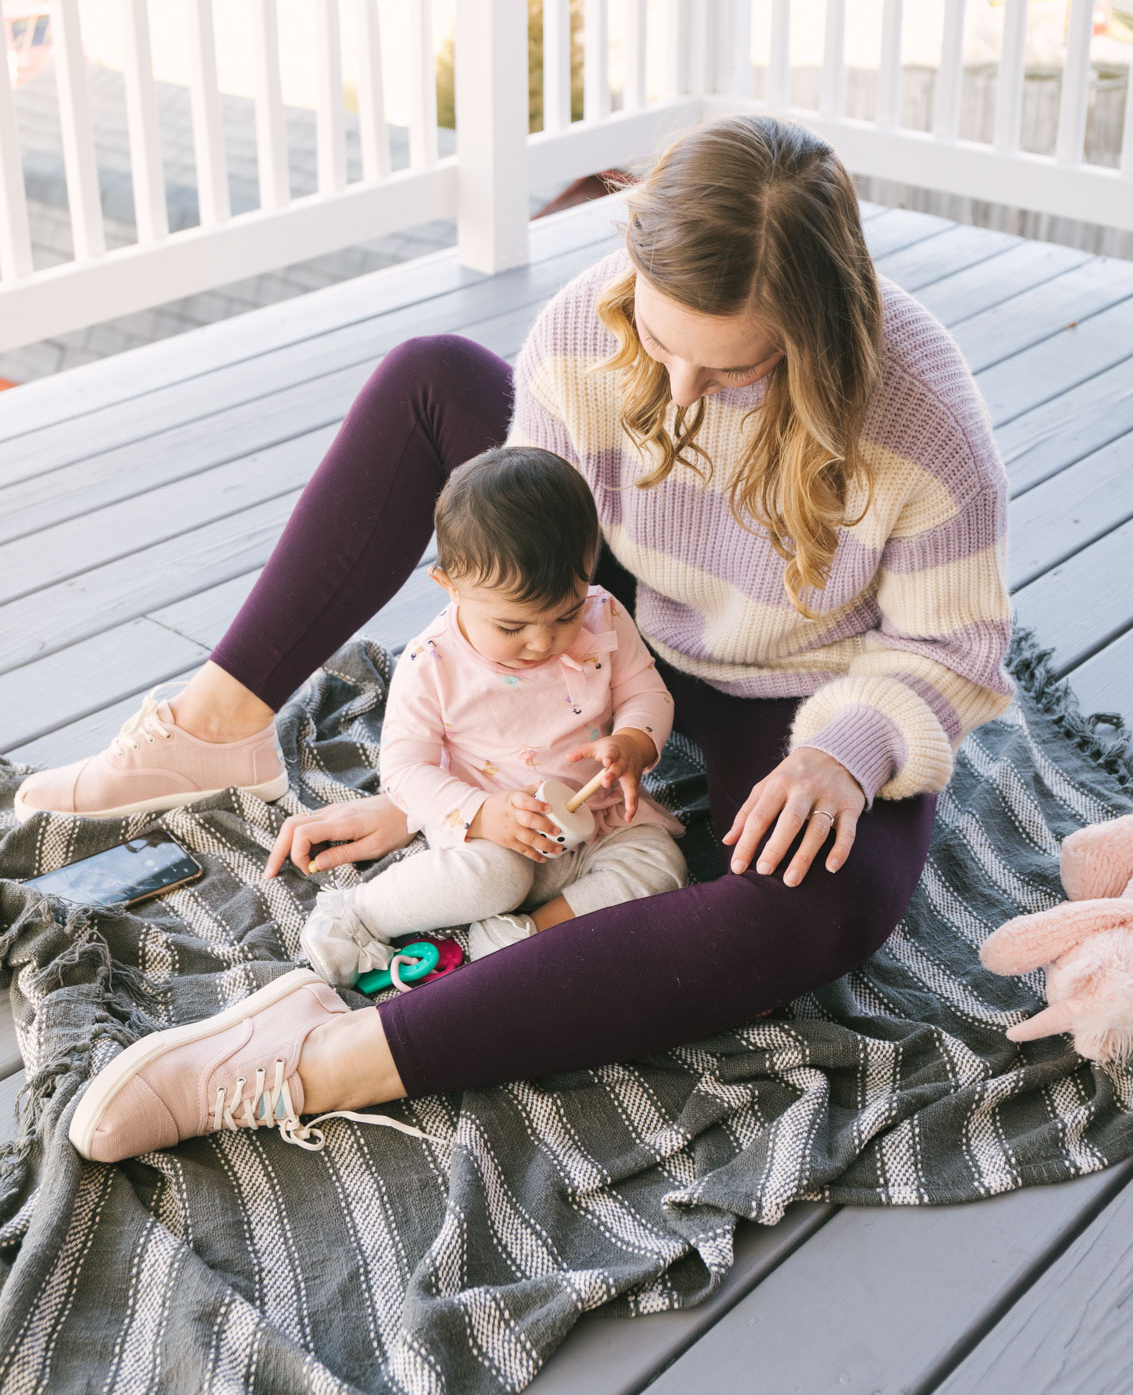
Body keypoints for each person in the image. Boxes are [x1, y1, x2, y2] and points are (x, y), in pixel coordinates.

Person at [43, 114, 1012, 1165]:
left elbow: (950, 649)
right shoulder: (584, 325)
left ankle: (321, 1053)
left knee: (818, 904)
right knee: (434, 377)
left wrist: (841, 755)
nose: (682, 392)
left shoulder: (919, 414)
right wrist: (446, 783)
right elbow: (539, 560)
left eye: (733, 370)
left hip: (800, 685)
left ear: (812, 333)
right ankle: (217, 724)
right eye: (659, 340)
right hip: (610, 611)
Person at [299, 444, 686, 983]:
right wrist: (481, 813)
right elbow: (404, 772)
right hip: (494, 836)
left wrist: (633, 744)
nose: (543, 641)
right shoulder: (431, 662)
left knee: (660, 864)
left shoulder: (605, 616)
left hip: (598, 818)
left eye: (565, 615)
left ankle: (529, 936)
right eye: (512, 627)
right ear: (450, 586)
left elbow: (649, 694)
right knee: (493, 880)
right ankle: (360, 911)